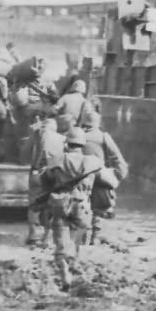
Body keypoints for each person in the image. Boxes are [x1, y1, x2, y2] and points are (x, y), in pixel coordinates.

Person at [40, 122, 118, 290]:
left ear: (66, 143)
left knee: (61, 242)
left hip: (61, 205)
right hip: (83, 206)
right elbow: (112, 182)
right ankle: (72, 265)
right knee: (76, 242)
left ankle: (65, 273)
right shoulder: (93, 162)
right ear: (82, 144)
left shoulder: (57, 160)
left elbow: (45, 179)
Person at [81, 104, 129, 245]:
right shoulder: (103, 137)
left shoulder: (77, 135)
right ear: (98, 123)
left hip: (81, 176)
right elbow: (117, 158)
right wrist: (117, 176)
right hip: (98, 175)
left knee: (82, 206)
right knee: (100, 204)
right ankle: (95, 237)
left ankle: (83, 236)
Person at [25, 117, 65, 247]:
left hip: (38, 172)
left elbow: (25, 150)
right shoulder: (62, 138)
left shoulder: (39, 134)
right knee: (50, 205)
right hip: (53, 174)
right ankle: (46, 238)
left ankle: (33, 235)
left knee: (34, 203)